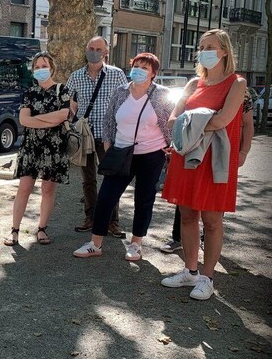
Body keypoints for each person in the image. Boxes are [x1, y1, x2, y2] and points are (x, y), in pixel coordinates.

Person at [160, 29, 247, 300]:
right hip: (187, 156)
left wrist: (191, 121)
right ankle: (190, 271)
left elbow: (224, 121)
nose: (203, 50)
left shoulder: (237, 83)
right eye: (201, 46)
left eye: (210, 46)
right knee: (187, 216)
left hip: (214, 159)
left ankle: (207, 278)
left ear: (224, 51)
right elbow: (173, 119)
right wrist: (197, 122)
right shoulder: (192, 84)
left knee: (211, 219)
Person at [72, 52, 173, 261]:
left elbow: (171, 122)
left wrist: (169, 145)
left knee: (144, 199)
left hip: (151, 155)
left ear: (153, 73)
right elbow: (109, 121)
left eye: (145, 68)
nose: (139, 70)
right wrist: (109, 147)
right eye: (136, 66)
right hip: (121, 153)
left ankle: (136, 244)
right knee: (106, 197)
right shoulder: (120, 92)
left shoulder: (162, 94)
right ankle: (95, 243)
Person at [158, 88, 254, 253]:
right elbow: (176, 119)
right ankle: (177, 238)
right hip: (190, 150)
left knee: (213, 204)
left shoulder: (240, 90)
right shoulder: (195, 85)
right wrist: (176, 145)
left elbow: (247, 124)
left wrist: (243, 152)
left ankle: (206, 241)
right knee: (186, 200)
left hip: (219, 154)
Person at [4, 52, 74, 246]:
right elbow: (23, 120)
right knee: (24, 188)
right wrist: (49, 119)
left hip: (54, 148)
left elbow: (63, 116)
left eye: (44, 66)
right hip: (31, 147)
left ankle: (42, 229)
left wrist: (37, 120)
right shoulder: (29, 92)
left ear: (51, 68)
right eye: (37, 67)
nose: (40, 70)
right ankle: (14, 230)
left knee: (47, 189)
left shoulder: (63, 90)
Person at [66, 36, 128, 237]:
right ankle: (91, 217)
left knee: (111, 179)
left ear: (106, 52)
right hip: (85, 136)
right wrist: (71, 124)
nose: (94, 51)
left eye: (98, 48)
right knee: (88, 180)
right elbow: (68, 103)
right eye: (91, 48)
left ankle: (112, 221)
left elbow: (125, 103)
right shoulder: (76, 76)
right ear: (86, 49)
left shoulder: (117, 75)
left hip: (109, 136)